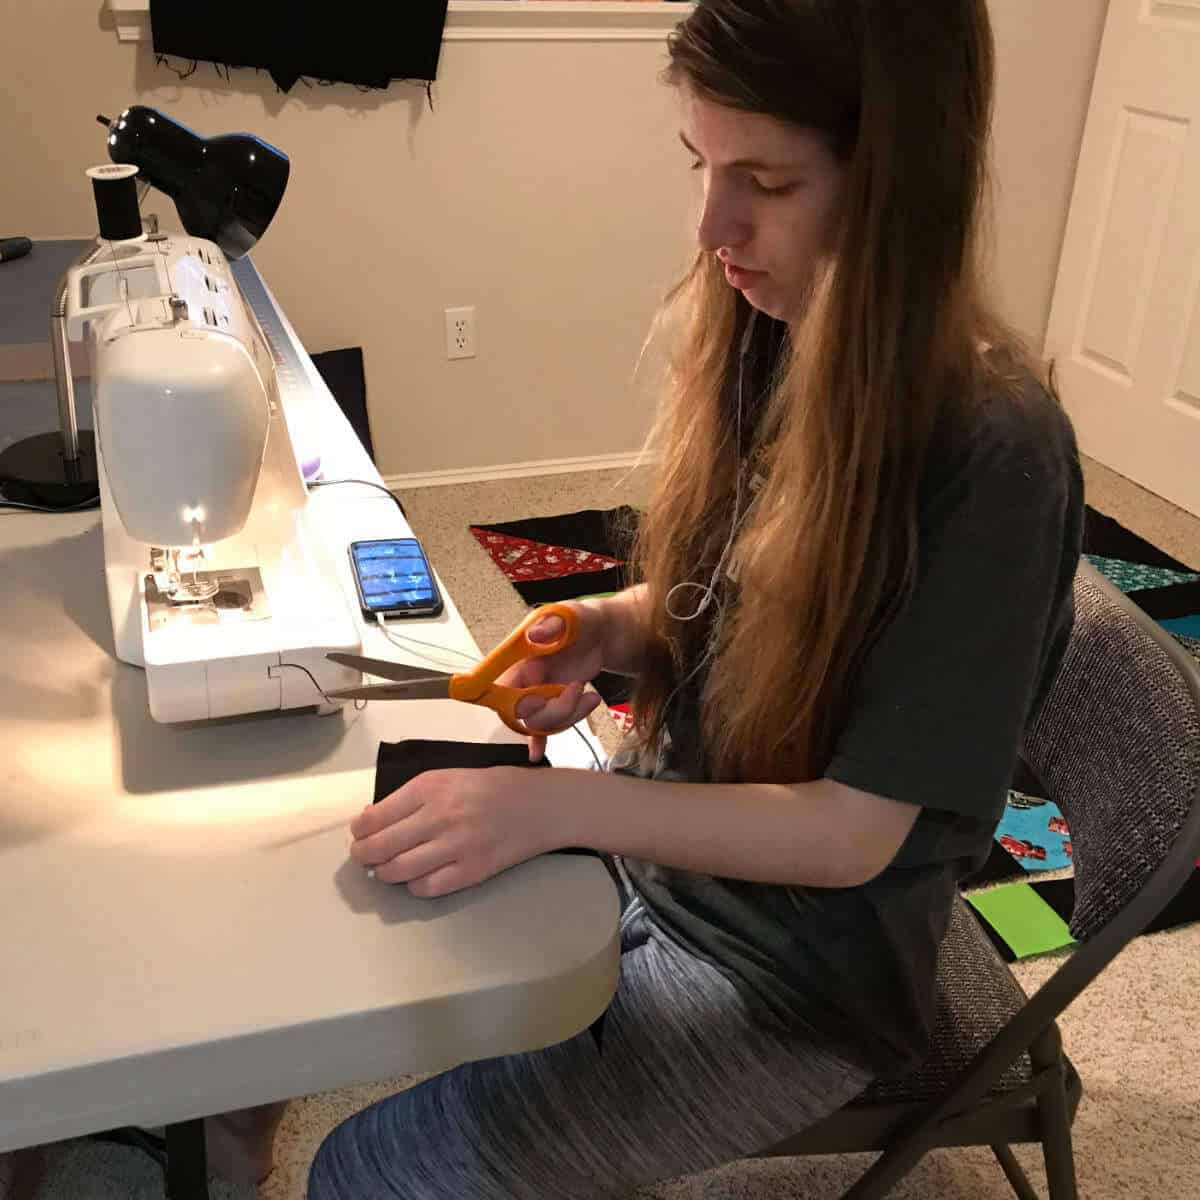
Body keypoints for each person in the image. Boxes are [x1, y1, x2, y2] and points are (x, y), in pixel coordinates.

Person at [309, 0, 1084, 1195]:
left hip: (793, 978)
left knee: (372, 1171)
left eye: (764, 181)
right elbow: (755, 589)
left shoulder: (994, 452)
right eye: (702, 165)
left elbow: (851, 832)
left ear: (897, 186)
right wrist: (613, 626)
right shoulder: (784, 325)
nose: (713, 226)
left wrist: (559, 815)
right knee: (342, 925)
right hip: (671, 867)